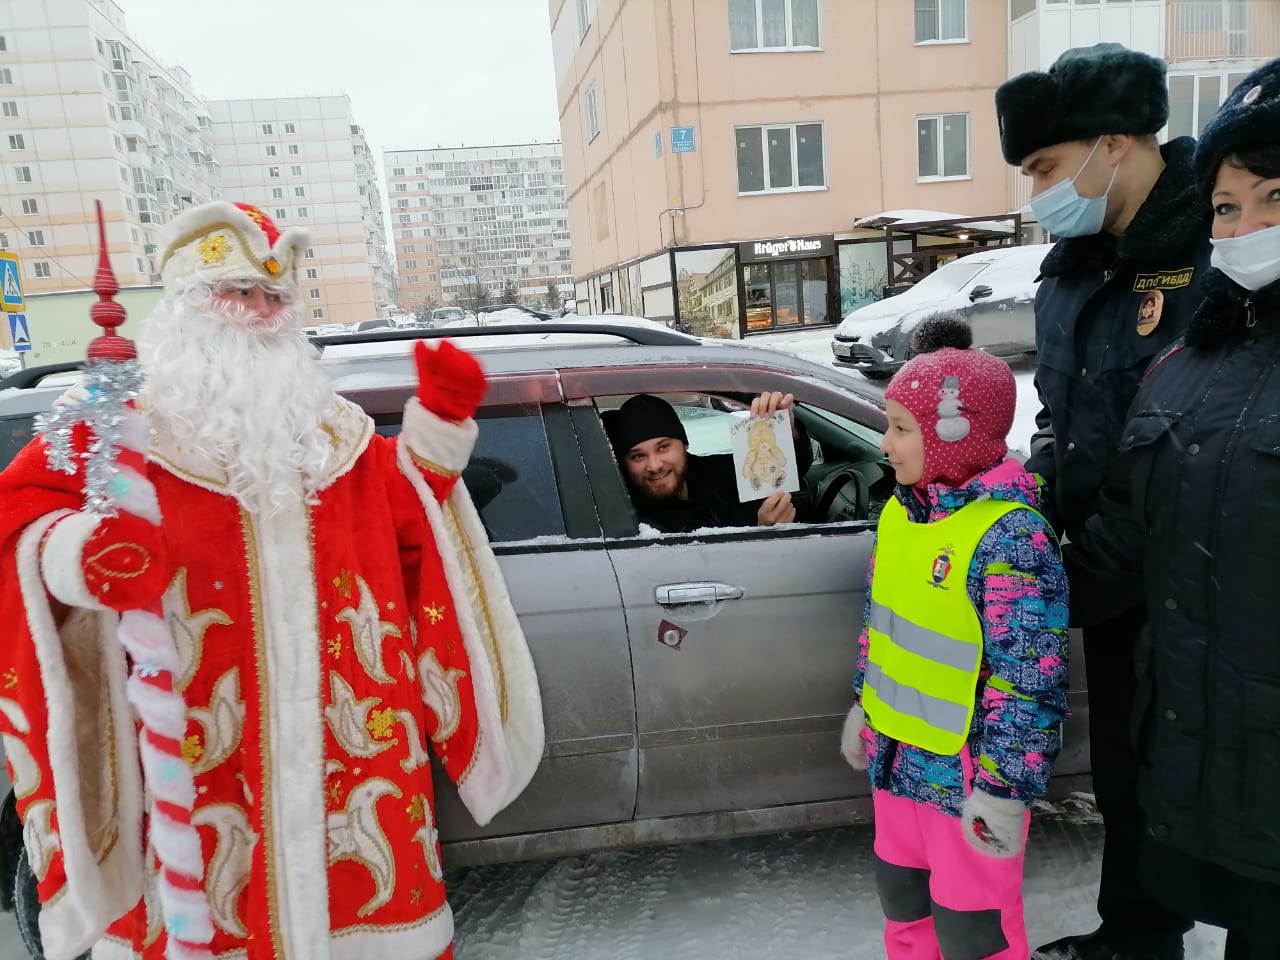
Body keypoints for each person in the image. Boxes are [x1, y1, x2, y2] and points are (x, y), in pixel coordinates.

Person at [0, 201, 543, 960]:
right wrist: (74, 554)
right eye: (237, 293)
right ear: (187, 307)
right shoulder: (103, 428)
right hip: (189, 758)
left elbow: (416, 537)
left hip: (350, 760)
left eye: (275, 298)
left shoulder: (342, 440)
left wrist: (439, 430)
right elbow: (17, 518)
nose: (259, 313)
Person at [995, 43, 1213, 960]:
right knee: (1126, 769)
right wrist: (1035, 502)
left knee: (1195, 771)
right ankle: (1139, 934)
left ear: (1114, 144)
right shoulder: (1072, 268)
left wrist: (1092, 567)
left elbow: (1187, 439)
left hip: (1190, 572)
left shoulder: (1215, 251)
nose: (1039, 190)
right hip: (1108, 567)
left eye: (1047, 166)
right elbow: (1063, 415)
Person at [1067, 59, 1280, 960]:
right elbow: (1124, 532)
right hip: (1219, 769)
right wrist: (1006, 588)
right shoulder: (1187, 366)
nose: (1246, 227)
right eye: (1227, 208)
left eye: (1273, 196)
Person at [839, 316, 1069, 960]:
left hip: (965, 777)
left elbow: (1030, 682)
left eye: (900, 428)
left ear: (952, 434)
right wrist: (865, 704)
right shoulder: (900, 514)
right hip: (895, 761)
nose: (885, 444)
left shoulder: (1009, 538)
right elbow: (879, 626)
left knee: (974, 934)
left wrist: (1003, 788)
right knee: (906, 910)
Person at [605, 391, 812, 533]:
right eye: (638, 456)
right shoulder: (634, 525)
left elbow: (790, 468)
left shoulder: (712, 472)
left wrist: (785, 430)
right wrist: (762, 534)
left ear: (684, 445)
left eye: (663, 447)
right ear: (625, 462)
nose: (654, 465)